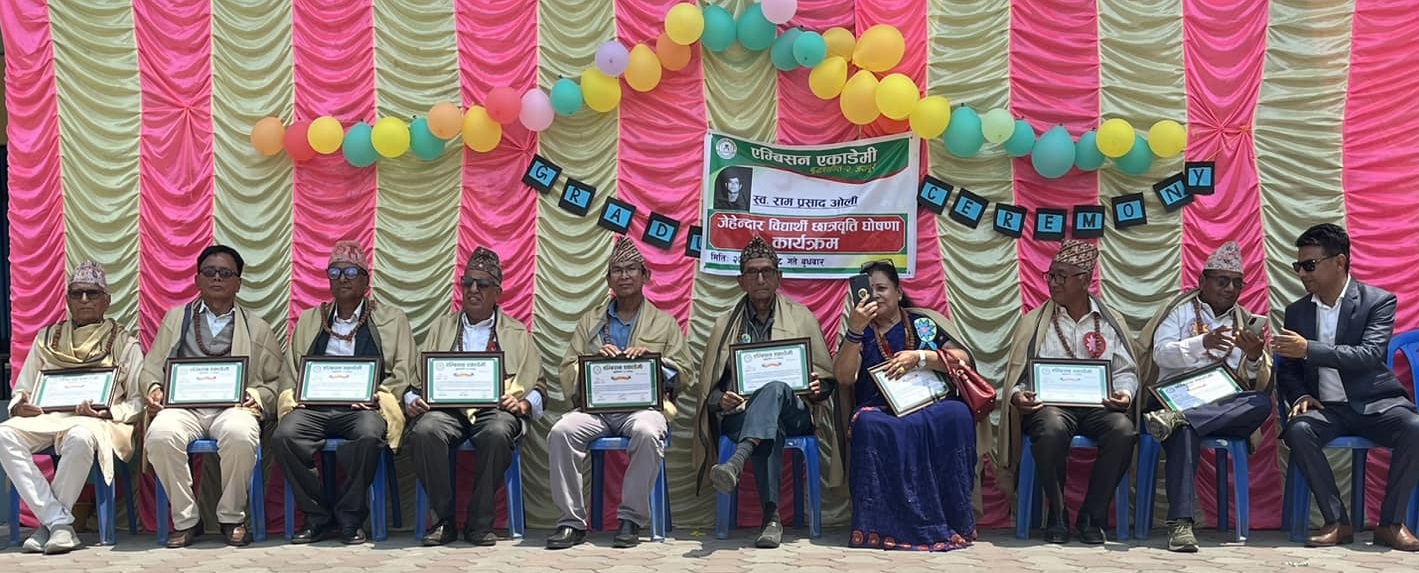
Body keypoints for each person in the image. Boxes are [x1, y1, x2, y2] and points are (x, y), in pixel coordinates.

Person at [1275, 223, 1419, 551]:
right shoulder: (1297, 311)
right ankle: (1337, 521)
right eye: (1298, 266)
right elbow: (1288, 370)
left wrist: (1309, 349)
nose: (1302, 273)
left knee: (1415, 427)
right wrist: (1301, 395)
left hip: (1375, 404)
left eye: (1309, 265)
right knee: (1299, 430)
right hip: (1328, 409)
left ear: (1339, 262)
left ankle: (1391, 524)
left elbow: (1369, 355)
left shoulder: (1377, 301)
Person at [691, 237, 841, 548]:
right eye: (752, 272)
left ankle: (737, 461)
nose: (760, 279)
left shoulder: (801, 317)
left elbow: (827, 379)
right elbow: (709, 391)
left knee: (774, 389)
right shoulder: (724, 325)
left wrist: (818, 388)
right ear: (740, 280)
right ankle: (771, 519)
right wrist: (722, 399)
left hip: (795, 411)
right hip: (742, 416)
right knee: (769, 428)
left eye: (767, 271)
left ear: (779, 277)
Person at [545, 236, 692, 550]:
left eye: (631, 269)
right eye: (617, 270)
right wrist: (592, 363)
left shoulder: (664, 323)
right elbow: (567, 368)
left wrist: (655, 363)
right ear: (608, 279)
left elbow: (685, 372)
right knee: (561, 432)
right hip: (596, 410)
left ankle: (630, 519)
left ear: (645, 275)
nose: (624, 276)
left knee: (648, 432)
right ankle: (571, 523)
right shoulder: (590, 322)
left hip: (642, 409)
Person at [143, 245, 293, 547]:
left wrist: (256, 396)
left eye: (225, 273)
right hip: (182, 409)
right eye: (209, 272)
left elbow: (277, 382)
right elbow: (151, 368)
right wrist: (154, 389)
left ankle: (232, 517)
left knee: (241, 434)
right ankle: (187, 520)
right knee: (159, 435)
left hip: (232, 408)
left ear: (238, 282)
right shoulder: (176, 319)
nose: (217, 278)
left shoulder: (257, 328)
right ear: (197, 279)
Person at [995, 240, 1139, 545]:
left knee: (1123, 431)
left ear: (1084, 280)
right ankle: (1057, 514)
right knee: (1051, 429)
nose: (1053, 282)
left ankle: (1091, 516)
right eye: (1051, 275)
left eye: (1062, 276)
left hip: (1099, 407)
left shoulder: (1109, 322)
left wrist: (1125, 394)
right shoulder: (1036, 322)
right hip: (1051, 408)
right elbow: (1019, 376)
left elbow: (1126, 371)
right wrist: (1019, 396)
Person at [272, 240, 416, 545]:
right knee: (285, 436)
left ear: (366, 280)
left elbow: (405, 368)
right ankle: (317, 516)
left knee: (368, 435)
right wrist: (296, 397)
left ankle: (350, 516)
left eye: (351, 272)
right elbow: (291, 369)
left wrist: (380, 395)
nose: (343, 278)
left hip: (363, 408)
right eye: (335, 272)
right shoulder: (310, 319)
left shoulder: (392, 319)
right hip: (314, 408)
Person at [831, 260, 978, 552]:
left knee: (958, 414)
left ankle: (953, 520)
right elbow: (844, 377)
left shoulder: (923, 324)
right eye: (868, 290)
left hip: (928, 403)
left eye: (882, 288)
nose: (875, 295)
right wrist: (855, 329)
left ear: (898, 292)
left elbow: (963, 360)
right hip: (881, 409)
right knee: (868, 424)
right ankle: (882, 528)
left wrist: (921, 358)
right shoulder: (859, 332)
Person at [1135, 241, 1273, 552]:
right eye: (1222, 281)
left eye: (1237, 283)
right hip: (1174, 396)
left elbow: (1253, 382)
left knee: (1261, 402)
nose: (1230, 289)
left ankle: (1180, 419)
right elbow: (1160, 355)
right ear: (1202, 281)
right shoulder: (1179, 311)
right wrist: (1202, 343)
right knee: (1185, 432)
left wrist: (1254, 357)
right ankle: (1181, 524)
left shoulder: (1244, 322)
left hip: (1221, 403)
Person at [404, 247, 545, 546]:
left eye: (482, 284)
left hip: (494, 410)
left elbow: (540, 386)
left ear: (498, 292)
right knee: (425, 431)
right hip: (447, 412)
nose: (473, 290)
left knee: (498, 432)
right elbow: (416, 381)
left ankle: (479, 523)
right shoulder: (441, 327)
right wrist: (412, 401)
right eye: (467, 283)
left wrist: (522, 404)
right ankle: (443, 521)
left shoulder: (517, 332)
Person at [0, 261, 144, 554]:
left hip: (97, 420)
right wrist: (20, 405)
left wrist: (109, 412)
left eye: (92, 293)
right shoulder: (47, 339)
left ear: (107, 300)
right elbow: (23, 388)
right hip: (47, 416)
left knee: (80, 436)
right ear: (67, 300)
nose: (84, 300)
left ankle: (51, 526)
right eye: (77, 294)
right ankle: (59, 523)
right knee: (4, 434)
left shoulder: (123, 342)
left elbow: (138, 400)